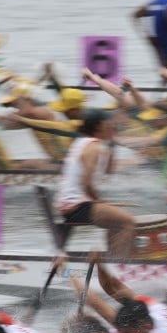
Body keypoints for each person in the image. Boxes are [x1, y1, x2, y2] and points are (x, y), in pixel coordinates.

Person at [54, 109, 136, 258]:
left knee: (116, 221)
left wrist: (112, 145)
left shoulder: (86, 142)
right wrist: (98, 199)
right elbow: (86, 183)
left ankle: (113, 259)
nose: (114, 126)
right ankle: (120, 264)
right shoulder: (94, 147)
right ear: (100, 126)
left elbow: (109, 170)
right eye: (111, 123)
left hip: (73, 203)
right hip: (76, 206)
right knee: (128, 222)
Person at [0, 83, 68, 168]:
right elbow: (2, 124)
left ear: (26, 99)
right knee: (25, 163)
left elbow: (20, 115)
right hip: (58, 158)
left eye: (15, 102)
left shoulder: (39, 112)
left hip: (65, 160)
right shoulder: (29, 118)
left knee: (27, 164)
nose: (13, 106)